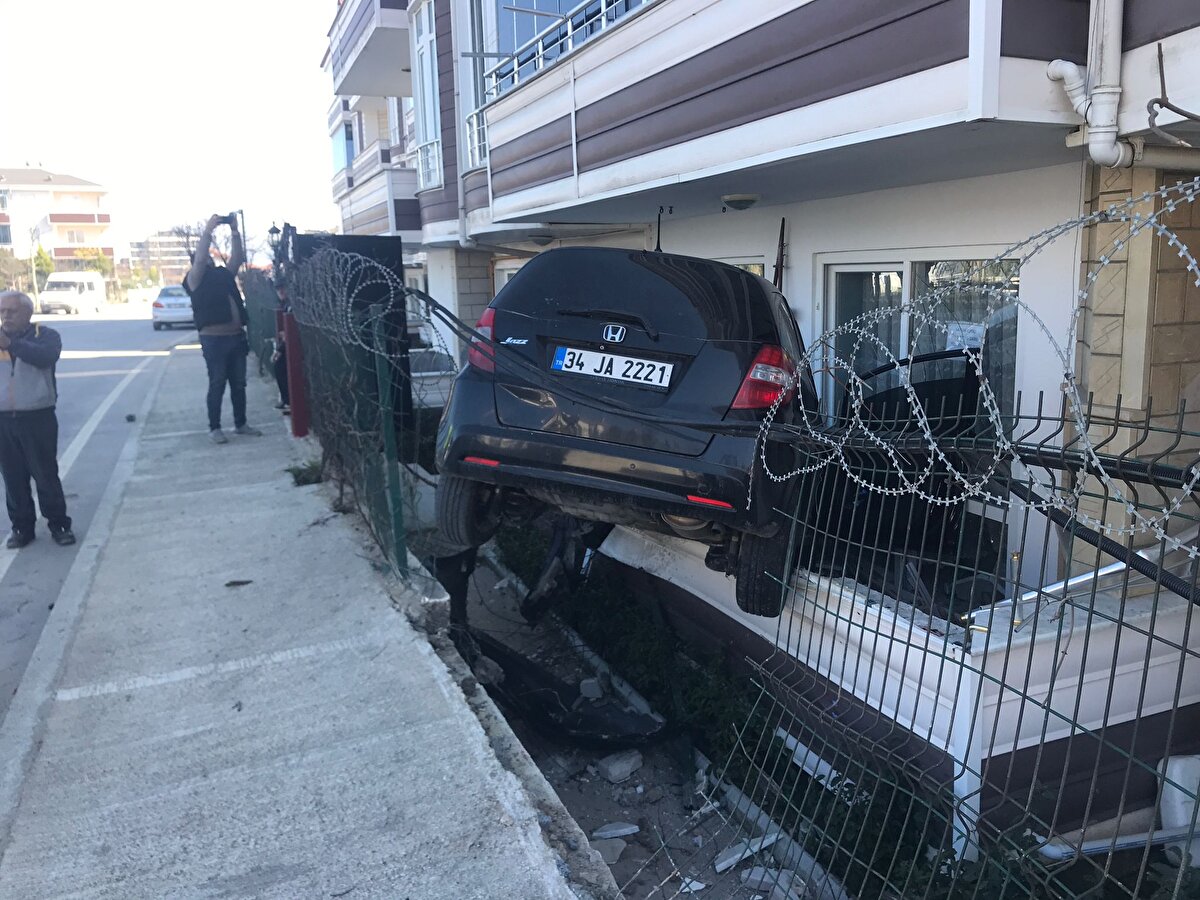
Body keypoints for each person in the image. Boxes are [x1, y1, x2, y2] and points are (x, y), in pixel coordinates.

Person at [0, 290, 74, 549]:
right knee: (13, 477)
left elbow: (45, 357)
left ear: (28, 313)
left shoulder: (46, 336)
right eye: (2, 311)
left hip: (37, 416)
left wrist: (10, 344)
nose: (5, 316)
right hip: (4, 420)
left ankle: (59, 524)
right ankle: (22, 527)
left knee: (45, 474)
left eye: (11, 311)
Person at [184, 213, 262, 444]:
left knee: (239, 383)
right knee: (217, 382)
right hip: (214, 341)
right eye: (203, 257)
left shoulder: (222, 275)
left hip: (236, 338)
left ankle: (241, 423)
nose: (207, 259)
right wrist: (208, 230)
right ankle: (215, 427)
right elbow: (199, 259)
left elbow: (237, 258)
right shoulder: (195, 279)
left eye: (209, 257)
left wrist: (235, 232)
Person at [271, 281, 290, 414]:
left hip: (291, 345)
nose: (281, 292)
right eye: (278, 290)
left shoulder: (291, 305)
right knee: (279, 367)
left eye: (283, 288)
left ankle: (288, 400)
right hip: (287, 344)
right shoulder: (283, 305)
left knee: (281, 367)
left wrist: (279, 349)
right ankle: (286, 399)